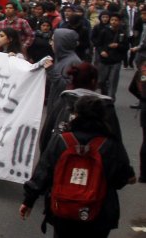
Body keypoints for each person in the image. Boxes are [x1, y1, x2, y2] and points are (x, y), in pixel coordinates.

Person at [20, 95, 135, 238]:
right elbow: (121, 179)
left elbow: (44, 171)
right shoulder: (110, 144)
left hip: (63, 210)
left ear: (75, 114)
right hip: (98, 213)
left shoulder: (62, 140)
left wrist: (28, 200)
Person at [92, 13, 127, 99]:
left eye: (116, 20)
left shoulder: (122, 33)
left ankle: (110, 99)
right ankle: (104, 96)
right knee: (101, 81)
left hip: (116, 61)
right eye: (112, 20)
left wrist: (118, 46)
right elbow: (98, 44)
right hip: (104, 60)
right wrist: (101, 51)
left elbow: (126, 47)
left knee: (113, 81)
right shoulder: (104, 31)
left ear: (119, 22)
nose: (114, 22)